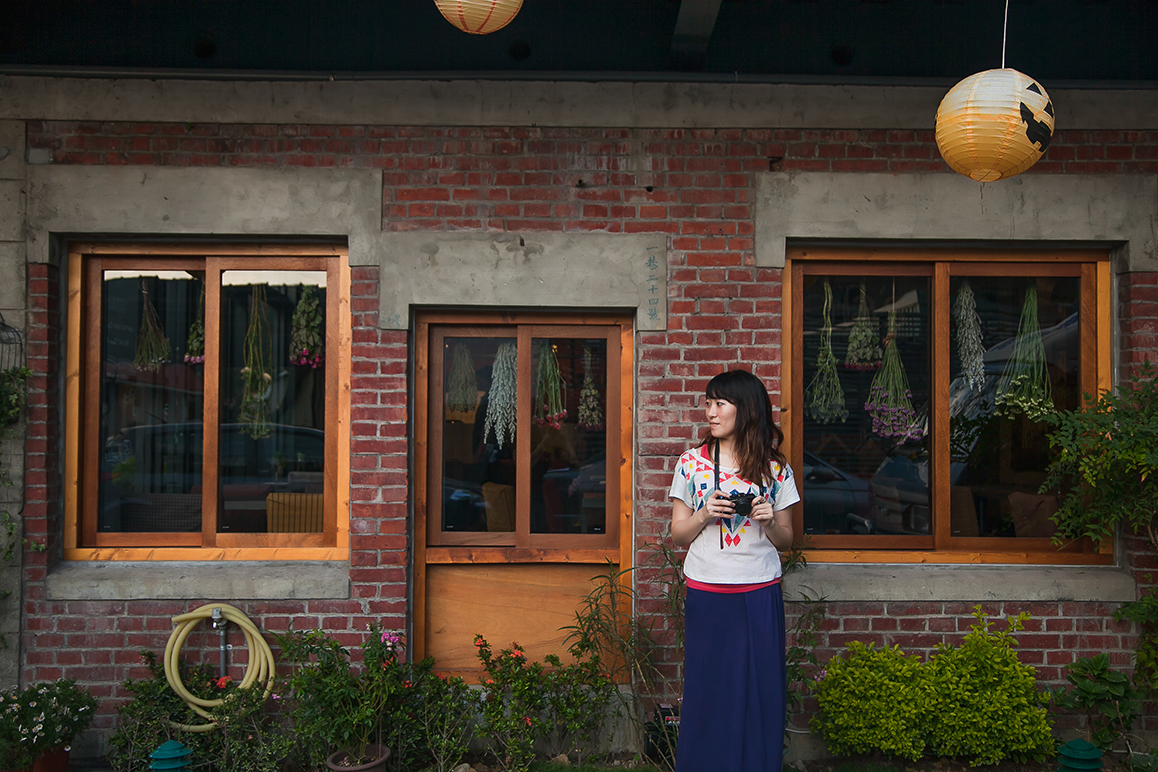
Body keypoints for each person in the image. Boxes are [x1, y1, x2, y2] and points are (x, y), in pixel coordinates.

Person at [668, 368, 800, 772]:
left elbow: (788, 541)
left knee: (759, 690)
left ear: (745, 410)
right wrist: (706, 512)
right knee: (709, 690)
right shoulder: (691, 463)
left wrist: (767, 521)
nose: (710, 411)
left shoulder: (776, 469)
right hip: (708, 592)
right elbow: (677, 534)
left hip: (759, 592)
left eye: (719, 403)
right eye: (708, 402)